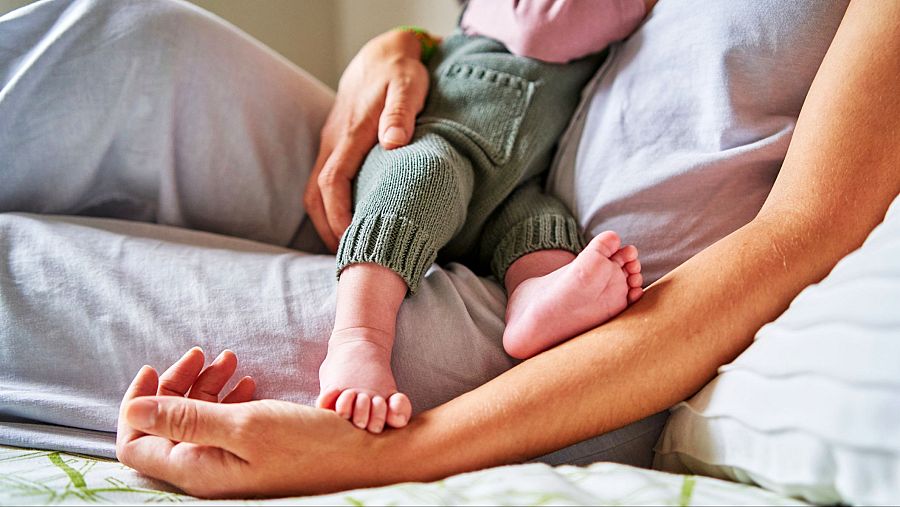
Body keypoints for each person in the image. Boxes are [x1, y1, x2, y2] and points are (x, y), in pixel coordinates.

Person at [1, 0, 897, 499]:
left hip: (565, 333)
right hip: (477, 157)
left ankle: (371, 329)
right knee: (128, 41)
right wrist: (408, 48)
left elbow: (802, 236)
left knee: (24, 275)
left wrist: (387, 456)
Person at [319, 0, 648, 432]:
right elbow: (539, 27)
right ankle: (357, 338)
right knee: (421, 176)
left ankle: (534, 302)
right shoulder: (497, 15)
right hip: (431, 147)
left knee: (539, 221)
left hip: (511, 188)